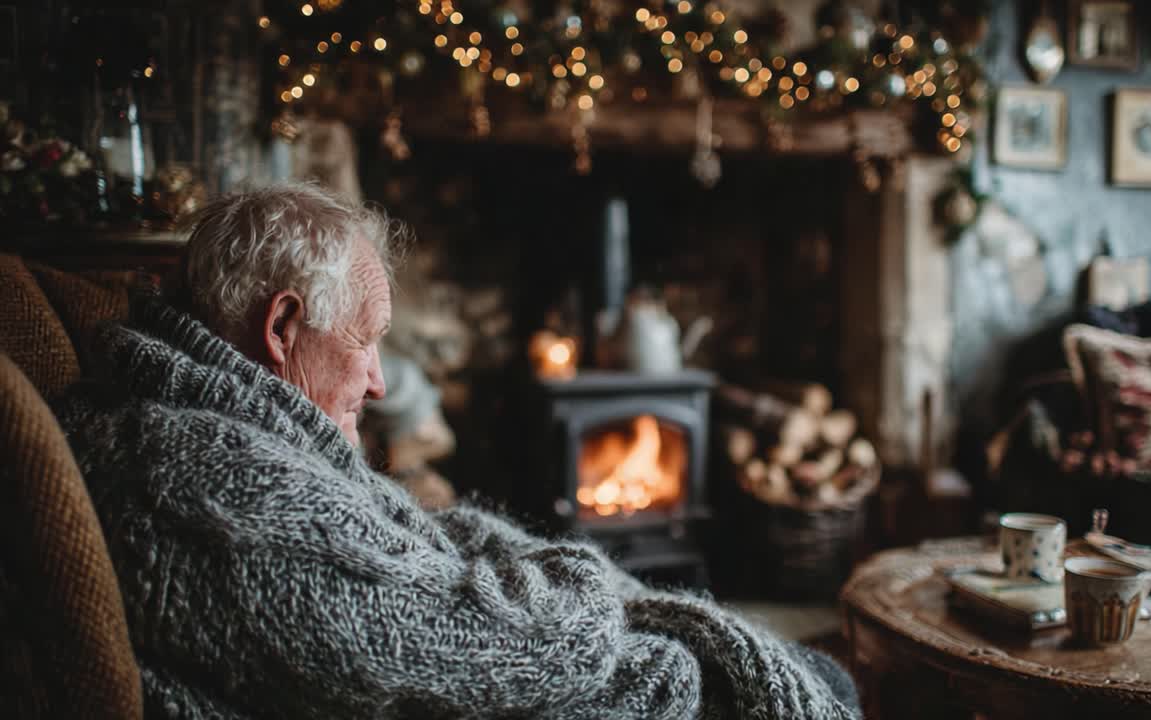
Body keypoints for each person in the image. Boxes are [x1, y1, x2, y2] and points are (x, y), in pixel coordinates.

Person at [56, 183, 859, 719]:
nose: (376, 383)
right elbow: (506, 643)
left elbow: (417, 554)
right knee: (803, 685)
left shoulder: (211, 413)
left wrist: (543, 571)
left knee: (792, 671)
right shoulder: (202, 475)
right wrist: (578, 576)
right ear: (281, 329)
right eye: (366, 343)